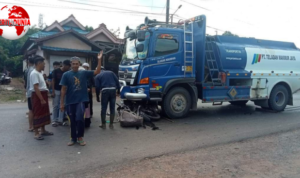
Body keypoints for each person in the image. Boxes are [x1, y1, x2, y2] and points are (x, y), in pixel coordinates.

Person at [60, 51, 103, 146]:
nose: (75, 65)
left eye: (76, 64)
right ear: (71, 64)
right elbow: (63, 89)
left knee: (80, 119)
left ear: (79, 64)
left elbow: (97, 71)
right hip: (70, 101)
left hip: (81, 100)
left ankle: (80, 137)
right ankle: (73, 138)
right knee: (72, 120)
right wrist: (62, 103)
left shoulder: (83, 73)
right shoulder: (66, 75)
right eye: (73, 64)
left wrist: (99, 60)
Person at [29, 56, 53, 140]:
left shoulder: (40, 73)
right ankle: (36, 133)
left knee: (44, 112)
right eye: (43, 64)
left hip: (43, 94)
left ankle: (43, 130)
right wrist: (41, 99)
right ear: (39, 64)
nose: (44, 65)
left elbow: (41, 85)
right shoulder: (34, 73)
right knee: (37, 113)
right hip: (38, 95)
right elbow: (36, 87)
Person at [51, 60, 71, 127]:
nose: (69, 68)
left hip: (64, 91)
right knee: (56, 105)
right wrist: (53, 91)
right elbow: (53, 81)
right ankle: (54, 120)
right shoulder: (56, 71)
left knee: (63, 105)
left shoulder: (68, 72)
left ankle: (60, 120)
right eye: (68, 66)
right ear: (64, 65)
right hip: (57, 90)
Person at [26, 57, 35, 132]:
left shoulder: (28, 70)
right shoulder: (32, 70)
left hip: (29, 92)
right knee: (32, 110)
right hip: (32, 93)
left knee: (31, 110)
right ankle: (31, 126)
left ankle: (31, 126)